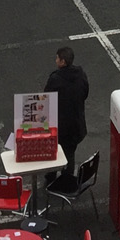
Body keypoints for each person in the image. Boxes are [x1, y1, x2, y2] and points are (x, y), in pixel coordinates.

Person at [45, 45, 91, 184]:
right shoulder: (81, 74)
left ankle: (51, 178)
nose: (56, 60)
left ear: (63, 61)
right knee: (69, 153)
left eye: (57, 58)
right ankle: (67, 180)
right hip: (76, 126)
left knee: (54, 152)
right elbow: (85, 94)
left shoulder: (55, 79)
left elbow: (46, 99)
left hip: (60, 127)